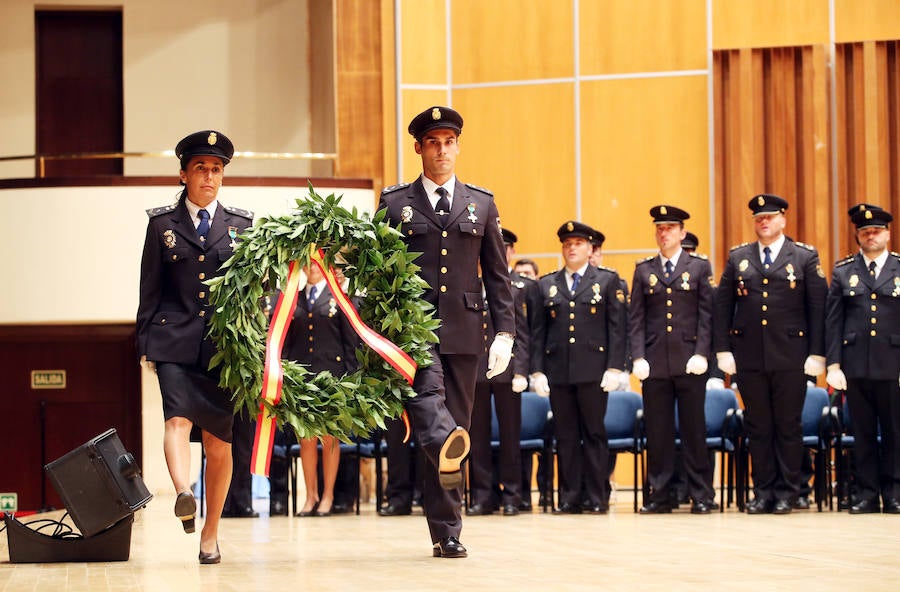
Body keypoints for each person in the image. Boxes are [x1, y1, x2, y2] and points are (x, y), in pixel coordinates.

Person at [377, 105, 515, 558]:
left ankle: (446, 532)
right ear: (418, 148)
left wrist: (505, 333)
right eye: (433, 142)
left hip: (464, 330)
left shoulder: (482, 203)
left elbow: (497, 274)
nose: (442, 150)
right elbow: (377, 274)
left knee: (455, 426)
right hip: (413, 331)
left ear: (457, 146)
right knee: (432, 412)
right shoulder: (395, 203)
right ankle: (446, 516)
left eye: (449, 142)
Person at [137, 130, 253, 564]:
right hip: (172, 340)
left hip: (224, 350)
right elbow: (149, 288)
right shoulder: (161, 225)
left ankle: (210, 533)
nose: (209, 176)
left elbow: (252, 292)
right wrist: (145, 344)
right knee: (178, 420)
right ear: (183, 173)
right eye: (200, 168)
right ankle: (184, 492)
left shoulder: (242, 226)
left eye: (216, 169)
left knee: (220, 445)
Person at [713, 193, 827, 514]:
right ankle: (763, 491)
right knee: (758, 426)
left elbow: (818, 308)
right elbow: (723, 307)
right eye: (759, 218)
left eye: (770, 217)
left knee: (788, 426)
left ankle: (788, 491)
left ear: (782, 220)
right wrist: (723, 349)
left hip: (791, 356)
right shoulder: (739, 258)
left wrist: (817, 353)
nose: (764, 222)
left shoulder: (804, 257)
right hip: (750, 357)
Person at [530, 221, 627, 514]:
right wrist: (537, 370)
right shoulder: (545, 284)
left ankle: (597, 497)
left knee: (594, 433)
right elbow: (537, 332)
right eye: (567, 244)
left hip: (594, 372)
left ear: (590, 248)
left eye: (578, 244)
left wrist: (615, 368)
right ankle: (570, 496)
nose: (572, 248)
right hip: (559, 372)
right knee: (567, 436)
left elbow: (617, 329)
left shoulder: (607, 281)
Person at [629, 205, 717, 514]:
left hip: (690, 361)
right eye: (659, 228)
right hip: (655, 362)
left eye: (670, 228)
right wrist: (637, 357)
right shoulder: (644, 269)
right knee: (659, 432)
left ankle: (702, 494)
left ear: (682, 233)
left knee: (694, 431)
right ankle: (661, 493)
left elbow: (707, 316)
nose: (664, 233)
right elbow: (636, 319)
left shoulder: (699, 267)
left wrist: (703, 353)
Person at [825, 205, 900, 514]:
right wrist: (833, 365)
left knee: (895, 432)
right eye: (865, 232)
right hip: (855, 365)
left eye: (877, 231)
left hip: (893, 365)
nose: (871, 236)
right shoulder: (844, 271)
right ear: (857, 235)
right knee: (862, 432)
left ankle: (894, 492)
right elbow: (833, 321)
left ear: (888, 234)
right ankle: (867, 493)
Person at [281, 264, 361, 517]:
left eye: (318, 261)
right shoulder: (296, 297)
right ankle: (310, 495)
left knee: (329, 440)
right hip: (303, 379)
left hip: (333, 379)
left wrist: (351, 381)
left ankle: (328, 495)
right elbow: (287, 341)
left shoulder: (338, 297)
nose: (313, 267)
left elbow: (350, 343)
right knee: (306, 440)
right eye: (309, 262)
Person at [468, 228, 532, 516]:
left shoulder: (518, 287)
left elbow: (526, 334)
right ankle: (482, 495)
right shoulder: (471, 283)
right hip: (477, 370)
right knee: (477, 436)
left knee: (509, 437)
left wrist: (522, 370)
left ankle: (512, 495)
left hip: (508, 371)